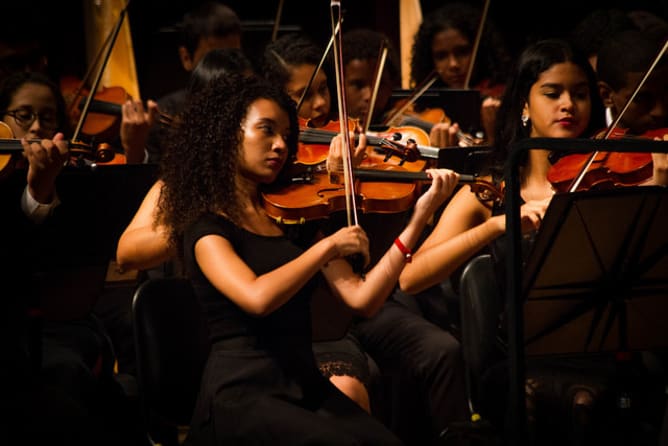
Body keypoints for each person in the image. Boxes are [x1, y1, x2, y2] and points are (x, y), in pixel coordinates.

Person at [156, 72, 458, 444]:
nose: (280, 145)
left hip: (301, 381)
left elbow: (362, 299)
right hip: (242, 393)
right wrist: (327, 248)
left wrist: (417, 221)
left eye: (286, 135)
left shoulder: (291, 218)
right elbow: (257, 297)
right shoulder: (206, 229)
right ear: (226, 134)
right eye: (266, 130)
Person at [399, 37, 668, 444]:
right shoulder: (492, 189)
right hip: (519, 358)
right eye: (552, 93)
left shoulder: (609, 175)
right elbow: (411, 277)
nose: (568, 105)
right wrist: (495, 226)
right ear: (524, 105)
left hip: (604, 353)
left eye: (580, 94)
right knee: (548, 400)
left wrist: (659, 186)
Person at [0, 70, 143, 444]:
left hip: (64, 322)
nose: (35, 128)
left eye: (47, 118)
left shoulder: (76, 176)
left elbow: (121, 220)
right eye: (23, 115)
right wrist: (37, 190)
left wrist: (135, 149)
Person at [143, 1, 243, 163]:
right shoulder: (165, 113)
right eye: (213, 59)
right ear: (186, 58)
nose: (226, 69)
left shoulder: (254, 106)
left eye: (234, 55)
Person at [409, 2, 512, 146]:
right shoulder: (424, 103)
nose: (453, 64)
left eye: (462, 52)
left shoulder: (499, 98)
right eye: (441, 56)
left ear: (480, 50)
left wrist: (493, 136)